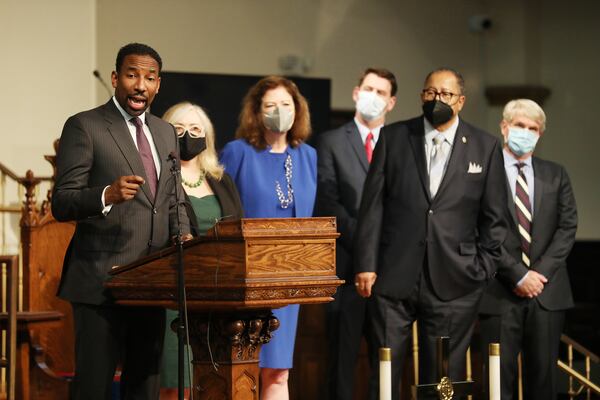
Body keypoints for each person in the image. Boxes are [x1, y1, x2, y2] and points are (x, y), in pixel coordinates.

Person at [353, 68, 508, 400]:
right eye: (430, 93)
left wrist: (481, 269)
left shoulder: (485, 146)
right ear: (422, 95)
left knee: (441, 381)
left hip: (456, 281)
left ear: (461, 101)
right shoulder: (394, 137)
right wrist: (366, 263)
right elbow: (373, 206)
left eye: (446, 94)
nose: (437, 99)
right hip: (392, 277)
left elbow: (495, 219)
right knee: (383, 374)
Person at [52, 43, 191, 400]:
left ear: (158, 85)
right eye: (132, 75)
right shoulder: (86, 126)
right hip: (101, 283)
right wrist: (106, 195)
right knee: (93, 389)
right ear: (116, 78)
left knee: (144, 390)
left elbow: (172, 199)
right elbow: (62, 202)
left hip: (151, 285)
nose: (140, 85)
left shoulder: (165, 133)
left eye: (149, 77)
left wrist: (185, 233)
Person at [219, 75, 316, 400]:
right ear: (256, 112)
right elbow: (222, 213)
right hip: (246, 278)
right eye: (270, 105)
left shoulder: (307, 156)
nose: (278, 111)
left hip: (289, 277)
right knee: (242, 370)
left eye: (285, 105)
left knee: (278, 371)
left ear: (297, 110)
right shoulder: (238, 152)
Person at [479, 99, 577, 400]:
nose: (526, 132)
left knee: (544, 383)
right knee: (497, 383)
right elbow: (480, 229)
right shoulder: (484, 171)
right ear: (505, 127)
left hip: (547, 293)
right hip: (499, 291)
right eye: (520, 125)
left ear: (540, 134)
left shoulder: (555, 174)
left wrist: (538, 274)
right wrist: (518, 275)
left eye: (533, 128)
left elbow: (567, 227)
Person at [315, 67, 397, 400]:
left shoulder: (401, 145)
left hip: (390, 273)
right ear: (355, 92)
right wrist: (367, 243)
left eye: (381, 93)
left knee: (387, 363)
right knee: (340, 364)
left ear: (391, 103)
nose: (373, 97)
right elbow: (329, 202)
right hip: (345, 270)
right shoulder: (331, 142)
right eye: (368, 89)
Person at [159, 101, 244, 399]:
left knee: (212, 384)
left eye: (195, 129)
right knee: (173, 385)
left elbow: (237, 229)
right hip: (174, 297)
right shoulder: (160, 180)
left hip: (218, 298)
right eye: (178, 129)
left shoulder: (222, 181)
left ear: (206, 136)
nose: (187, 135)